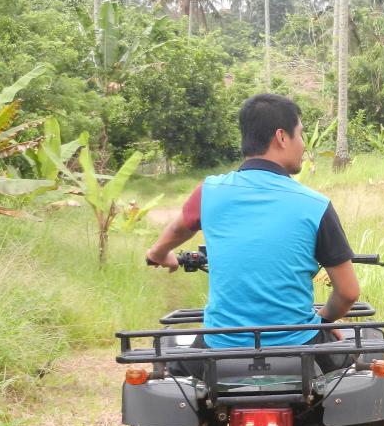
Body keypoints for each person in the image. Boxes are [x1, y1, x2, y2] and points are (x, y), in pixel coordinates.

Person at [145, 93, 359, 362]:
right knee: (355, 374)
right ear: (282, 137)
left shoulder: (209, 192)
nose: (303, 145)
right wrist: (324, 321)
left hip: (220, 347)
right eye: (301, 135)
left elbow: (179, 229)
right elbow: (348, 292)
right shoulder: (316, 205)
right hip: (298, 346)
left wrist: (158, 253)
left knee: (179, 385)